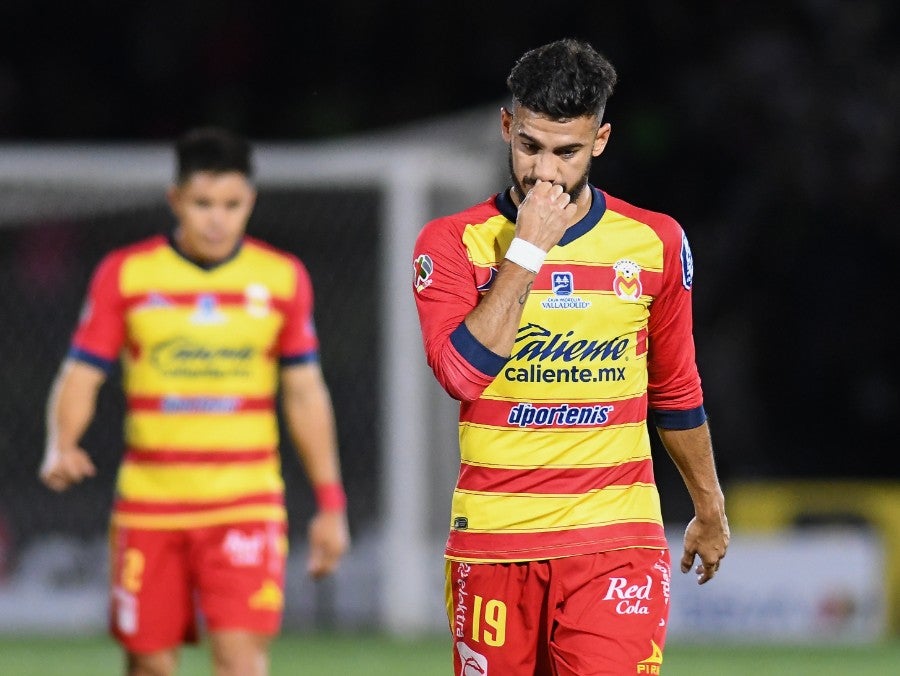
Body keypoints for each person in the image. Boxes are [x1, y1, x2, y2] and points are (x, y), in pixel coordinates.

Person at [411, 38, 729, 675]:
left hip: (616, 537)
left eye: (567, 151)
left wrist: (709, 506)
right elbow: (462, 374)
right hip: (496, 541)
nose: (545, 173)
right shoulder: (452, 243)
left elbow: (675, 388)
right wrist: (527, 251)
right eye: (529, 147)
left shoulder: (653, 242)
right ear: (507, 126)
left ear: (601, 141)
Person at [39, 126, 350, 676]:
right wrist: (61, 445)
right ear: (175, 200)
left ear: (249, 201)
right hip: (149, 505)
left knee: (239, 660)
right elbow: (82, 373)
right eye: (203, 203)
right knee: (150, 665)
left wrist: (330, 503)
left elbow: (304, 393)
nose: (217, 218)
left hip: (245, 503)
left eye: (231, 204)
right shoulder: (127, 274)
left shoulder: (280, 278)